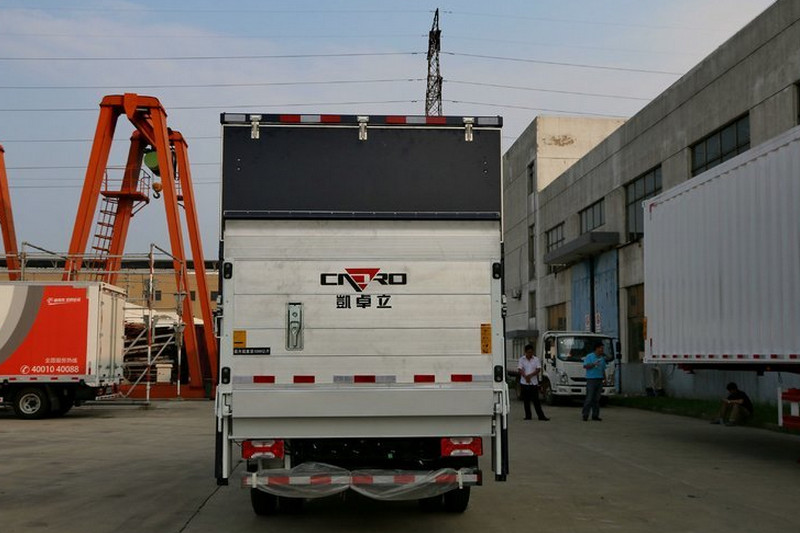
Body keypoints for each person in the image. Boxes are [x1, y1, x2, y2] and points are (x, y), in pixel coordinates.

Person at [518, 344, 549, 421]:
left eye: (531, 352)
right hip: (524, 382)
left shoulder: (536, 359)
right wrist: (525, 376)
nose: (530, 354)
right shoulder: (522, 359)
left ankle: (541, 416)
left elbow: (538, 369)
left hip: (533, 383)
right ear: (525, 352)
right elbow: (520, 369)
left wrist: (530, 376)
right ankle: (528, 416)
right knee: (526, 400)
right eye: (528, 352)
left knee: (536, 400)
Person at [581, 341, 607, 421]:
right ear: (597, 348)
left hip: (599, 379)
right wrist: (593, 364)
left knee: (596, 399)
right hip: (591, 379)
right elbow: (585, 366)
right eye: (601, 348)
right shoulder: (589, 356)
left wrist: (605, 378)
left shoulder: (602, 358)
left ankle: (595, 415)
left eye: (602, 348)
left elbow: (603, 369)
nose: (602, 350)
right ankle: (585, 415)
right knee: (589, 398)